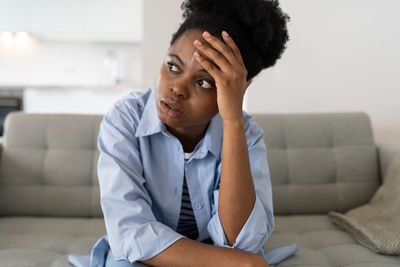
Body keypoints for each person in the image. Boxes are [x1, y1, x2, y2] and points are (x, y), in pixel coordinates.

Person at [68, 0, 298, 266]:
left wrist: (233, 118)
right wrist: (235, 262)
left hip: (214, 254)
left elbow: (241, 242)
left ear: (235, 89)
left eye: (203, 82)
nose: (177, 88)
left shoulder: (246, 132)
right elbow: (129, 233)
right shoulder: (124, 119)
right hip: (147, 258)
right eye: (173, 66)